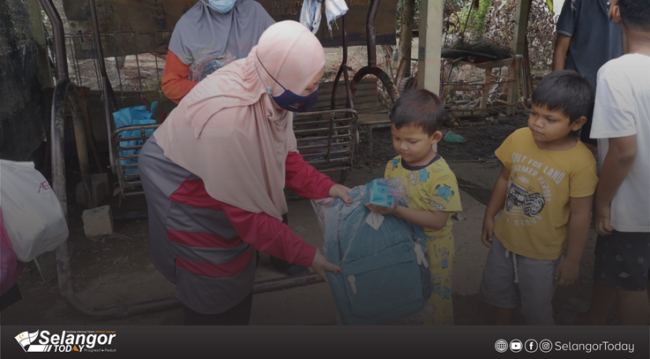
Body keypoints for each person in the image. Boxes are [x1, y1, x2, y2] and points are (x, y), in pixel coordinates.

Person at [139, 21, 351, 325]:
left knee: (238, 250)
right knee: (209, 262)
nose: (314, 91)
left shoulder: (268, 84)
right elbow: (251, 220)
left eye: (317, 81)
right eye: (309, 85)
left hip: (214, 161)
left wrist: (327, 187)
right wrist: (309, 255)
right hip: (181, 180)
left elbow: (283, 156)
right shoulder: (230, 121)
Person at [479, 71, 598, 325]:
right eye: (534, 113)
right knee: (499, 296)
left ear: (576, 123)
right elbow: (504, 179)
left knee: (536, 308)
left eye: (550, 119)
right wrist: (490, 215)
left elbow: (580, 214)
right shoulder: (519, 138)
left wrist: (573, 259)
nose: (537, 123)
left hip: (542, 253)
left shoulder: (581, 162)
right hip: (504, 240)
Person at [558, 0, 650, 326]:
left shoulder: (615, 72)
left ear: (616, 13)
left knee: (633, 289)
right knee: (619, 265)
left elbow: (623, 152)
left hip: (633, 209)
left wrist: (603, 202)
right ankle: (593, 317)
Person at [365, 89, 462, 325]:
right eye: (396, 138)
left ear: (435, 138)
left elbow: (438, 220)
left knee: (432, 302)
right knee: (407, 298)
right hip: (402, 245)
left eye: (412, 141)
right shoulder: (393, 165)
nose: (402, 147)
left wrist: (396, 210)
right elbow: (386, 201)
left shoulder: (441, 176)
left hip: (435, 250)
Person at [161, 0, 275, 104]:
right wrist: (209, 89)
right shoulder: (187, 26)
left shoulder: (255, 13)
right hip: (209, 113)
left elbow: (283, 58)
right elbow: (172, 85)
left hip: (254, 110)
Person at [553, 0, 624, 152]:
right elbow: (560, 48)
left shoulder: (632, 5)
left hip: (610, 87)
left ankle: (582, 174)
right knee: (561, 137)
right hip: (575, 86)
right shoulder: (576, 2)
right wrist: (556, 86)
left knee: (593, 144)